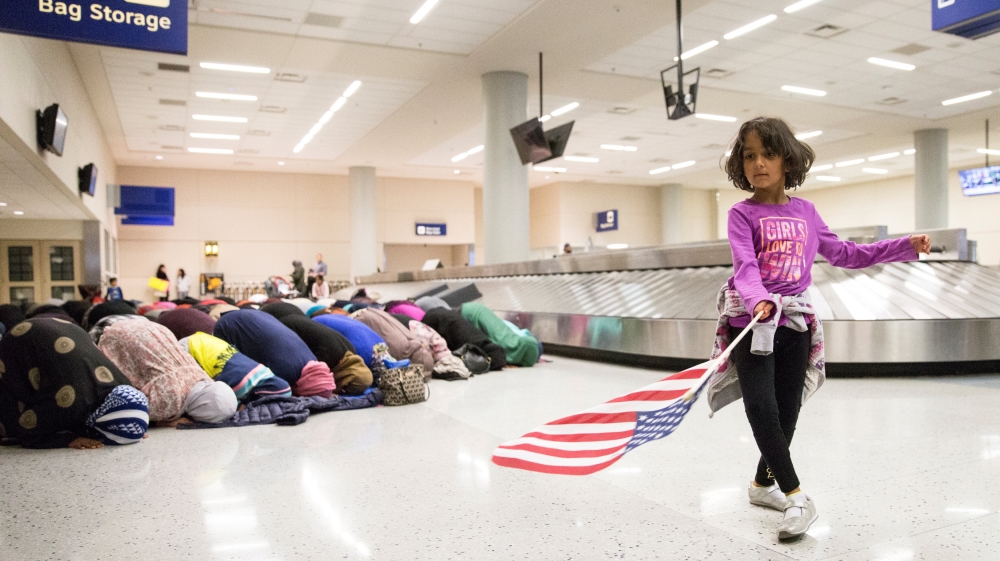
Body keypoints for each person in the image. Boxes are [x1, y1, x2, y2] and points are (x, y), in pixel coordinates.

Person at [709, 116, 931, 541]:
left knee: (788, 411)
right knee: (761, 409)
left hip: (795, 325)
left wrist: (903, 245)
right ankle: (796, 497)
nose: (758, 163)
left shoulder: (806, 212)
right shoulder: (741, 214)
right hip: (752, 321)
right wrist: (758, 299)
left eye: (767, 153)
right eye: (749, 155)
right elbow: (745, 267)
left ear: (787, 160)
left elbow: (846, 253)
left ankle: (761, 485)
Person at [0, 318, 149, 449]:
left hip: (57, 332)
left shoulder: (123, 385)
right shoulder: (73, 400)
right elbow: (28, 432)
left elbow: (130, 411)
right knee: (13, 418)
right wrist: (69, 439)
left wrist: (136, 424)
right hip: (18, 344)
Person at [94, 315, 238, 424]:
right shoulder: (171, 397)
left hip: (148, 328)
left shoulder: (201, 376)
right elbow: (139, 414)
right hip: (120, 339)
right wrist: (166, 422)